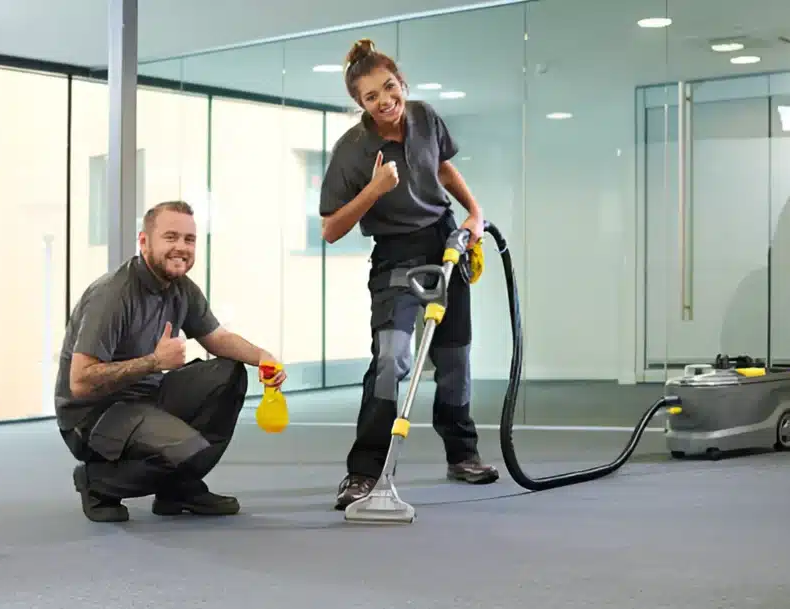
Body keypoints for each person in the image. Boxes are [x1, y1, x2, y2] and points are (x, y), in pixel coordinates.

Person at [320, 38, 499, 510]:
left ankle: (463, 456)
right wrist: (374, 191)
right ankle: (363, 472)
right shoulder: (352, 151)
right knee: (391, 360)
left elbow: (441, 167)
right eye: (371, 97)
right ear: (359, 104)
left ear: (402, 83)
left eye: (389, 87)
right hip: (395, 254)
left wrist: (474, 214)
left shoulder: (424, 117)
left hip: (444, 243)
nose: (385, 101)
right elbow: (331, 228)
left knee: (455, 359)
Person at [54, 200, 288, 523]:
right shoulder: (112, 295)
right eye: (171, 237)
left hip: (146, 397)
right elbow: (79, 382)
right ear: (144, 242)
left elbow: (217, 338)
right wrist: (154, 361)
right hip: (94, 415)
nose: (181, 247)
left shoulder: (181, 289)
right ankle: (96, 483)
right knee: (187, 450)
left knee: (229, 373)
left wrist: (263, 357)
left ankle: (179, 489)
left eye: (189, 240)